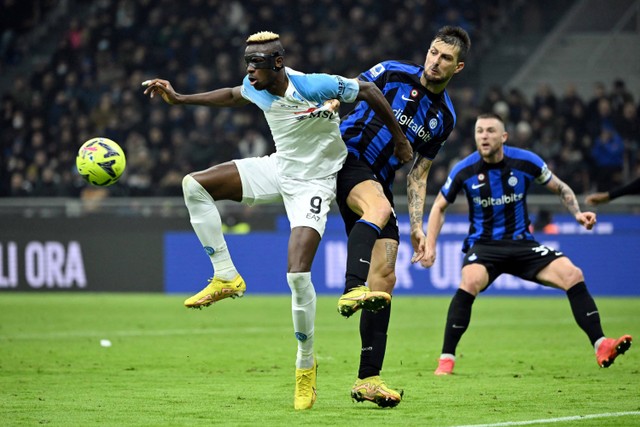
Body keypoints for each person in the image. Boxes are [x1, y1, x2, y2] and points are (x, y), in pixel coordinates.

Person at [142, 31, 411, 410]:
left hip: (317, 182)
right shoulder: (255, 87)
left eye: (257, 65)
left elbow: (367, 90)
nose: (250, 73)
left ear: (278, 64)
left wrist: (399, 139)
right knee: (194, 185)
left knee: (297, 276)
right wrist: (180, 98)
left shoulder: (314, 85)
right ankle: (225, 276)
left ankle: (305, 367)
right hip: (279, 168)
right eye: (247, 64)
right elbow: (232, 95)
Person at [415, 113, 632, 375]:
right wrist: (431, 244)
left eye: (491, 131)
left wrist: (577, 213)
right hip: (484, 246)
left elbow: (561, 188)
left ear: (503, 137)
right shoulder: (464, 169)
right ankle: (446, 360)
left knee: (573, 274)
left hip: (522, 244)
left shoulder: (525, 161)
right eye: (479, 131)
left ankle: (601, 345)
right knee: (470, 281)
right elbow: (439, 206)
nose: (484, 136)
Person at [335, 26, 470, 407]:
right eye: (432, 52)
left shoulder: (444, 117)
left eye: (445, 58)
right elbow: (348, 88)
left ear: (457, 67)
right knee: (377, 211)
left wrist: (416, 227)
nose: (435, 61)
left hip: (377, 179)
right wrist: (329, 104)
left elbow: (419, 173)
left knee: (386, 277)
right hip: (345, 159)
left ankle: (368, 379)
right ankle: (350, 286)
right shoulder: (393, 72)